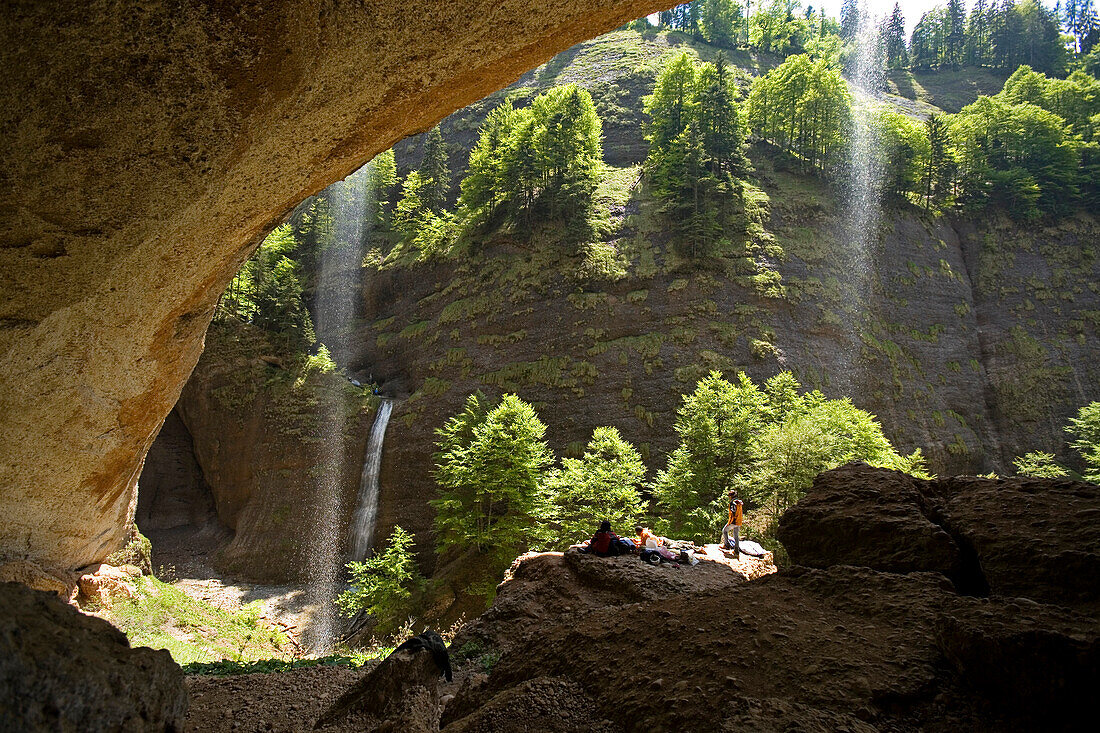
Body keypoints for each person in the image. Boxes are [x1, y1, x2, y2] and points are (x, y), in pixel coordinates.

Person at [720, 489, 743, 559]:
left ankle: (726, 545)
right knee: (736, 536)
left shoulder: (733, 503)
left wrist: (729, 522)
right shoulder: (739, 502)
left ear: (730, 496)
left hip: (733, 521)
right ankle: (736, 551)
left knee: (724, 531)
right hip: (739, 521)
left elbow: (733, 514)